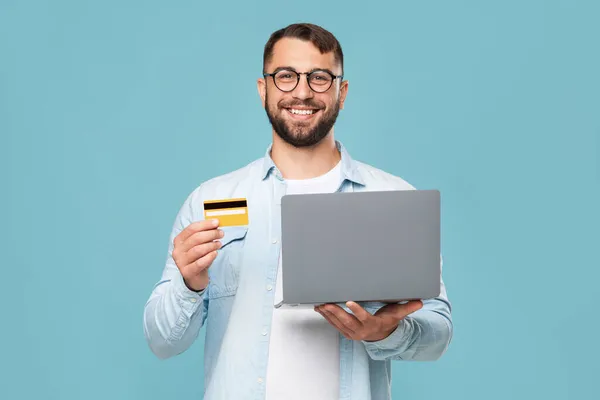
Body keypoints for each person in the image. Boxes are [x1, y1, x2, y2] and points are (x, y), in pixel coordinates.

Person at [143, 22, 453, 400]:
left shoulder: (393, 196)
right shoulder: (211, 201)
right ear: (264, 90)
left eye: (320, 78)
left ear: (342, 92)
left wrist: (388, 333)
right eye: (286, 76)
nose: (302, 92)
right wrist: (188, 284)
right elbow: (162, 341)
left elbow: (438, 331)